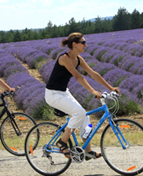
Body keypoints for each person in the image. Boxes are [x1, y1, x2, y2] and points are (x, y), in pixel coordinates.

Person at [45, 32, 121, 160]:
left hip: (64, 92)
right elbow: (78, 76)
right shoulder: (64, 58)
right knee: (79, 113)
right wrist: (93, 91)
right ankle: (62, 142)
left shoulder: (79, 59)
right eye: (83, 42)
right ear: (74, 44)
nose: (86, 45)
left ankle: (88, 151)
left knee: (85, 118)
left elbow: (93, 74)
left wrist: (110, 88)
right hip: (53, 94)